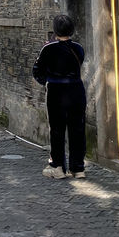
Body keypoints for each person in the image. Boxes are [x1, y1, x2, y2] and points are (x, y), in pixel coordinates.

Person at [32, 14, 87, 179]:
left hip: (56, 91)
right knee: (78, 129)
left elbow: (37, 70)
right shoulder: (78, 48)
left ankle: (58, 166)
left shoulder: (48, 48)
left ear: (55, 30)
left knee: (57, 130)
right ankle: (78, 168)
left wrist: (46, 81)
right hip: (76, 89)